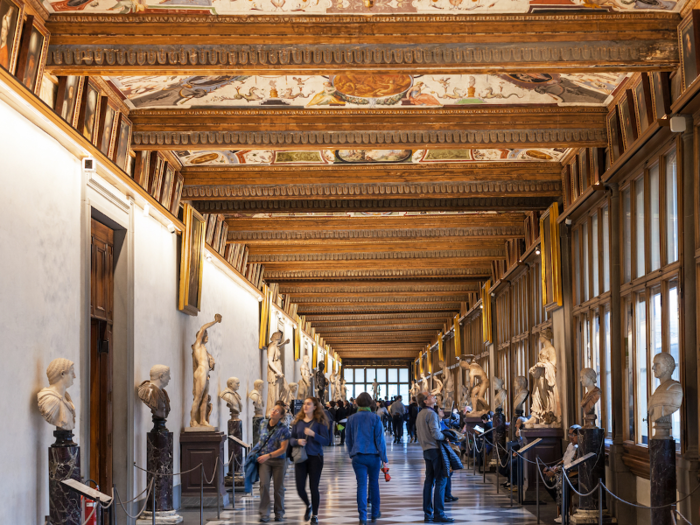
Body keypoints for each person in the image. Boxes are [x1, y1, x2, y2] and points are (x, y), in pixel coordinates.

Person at [345, 392, 389, 525]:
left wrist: (351, 453)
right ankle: (375, 513)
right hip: (373, 456)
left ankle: (362, 516)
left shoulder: (351, 419)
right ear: (370, 403)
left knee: (361, 486)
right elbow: (380, 440)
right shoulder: (375, 418)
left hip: (358, 456)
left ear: (356, 403)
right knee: (374, 485)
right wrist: (384, 458)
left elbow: (348, 439)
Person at [290, 397, 330, 524]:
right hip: (300, 457)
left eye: (308, 404)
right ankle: (308, 505)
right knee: (300, 487)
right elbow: (290, 439)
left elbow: (326, 441)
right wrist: (297, 441)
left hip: (315, 458)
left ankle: (315, 515)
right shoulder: (298, 422)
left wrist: (314, 435)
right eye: (304, 404)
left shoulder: (320, 422)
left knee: (314, 487)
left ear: (315, 407)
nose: (305, 406)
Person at [416, 391, 453, 523]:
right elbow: (436, 434)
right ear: (425, 401)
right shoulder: (431, 414)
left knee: (428, 481)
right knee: (441, 481)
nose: (434, 396)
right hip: (436, 450)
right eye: (431, 395)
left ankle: (427, 513)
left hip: (426, 450)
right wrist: (446, 436)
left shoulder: (420, 414)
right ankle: (439, 513)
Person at [256, 401, 291, 523]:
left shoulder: (283, 429)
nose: (273, 411)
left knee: (278, 488)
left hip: (279, 462)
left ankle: (279, 513)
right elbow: (260, 441)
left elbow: (283, 449)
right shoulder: (263, 424)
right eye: (272, 409)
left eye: (276, 411)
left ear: (281, 415)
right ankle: (264, 513)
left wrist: (268, 455)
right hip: (264, 461)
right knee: (264, 485)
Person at [543, 425, 581, 523]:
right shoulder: (570, 446)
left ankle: (565, 512)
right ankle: (561, 508)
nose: (571, 437)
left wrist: (556, 470)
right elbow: (564, 460)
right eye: (569, 434)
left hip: (574, 475)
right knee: (548, 480)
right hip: (564, 471)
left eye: (573, 434)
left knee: (560, 483)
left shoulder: (579, 448)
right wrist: (552, 467)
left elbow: (574, 465)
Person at [437, 407, 458, 503]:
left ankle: (448, 494)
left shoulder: (442, 421)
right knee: (446, 473)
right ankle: (445, 495)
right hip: (443, 449)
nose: (442, 411)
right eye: (440, 410)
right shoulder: (437, 422)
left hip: (448, 447)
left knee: (449, 472)